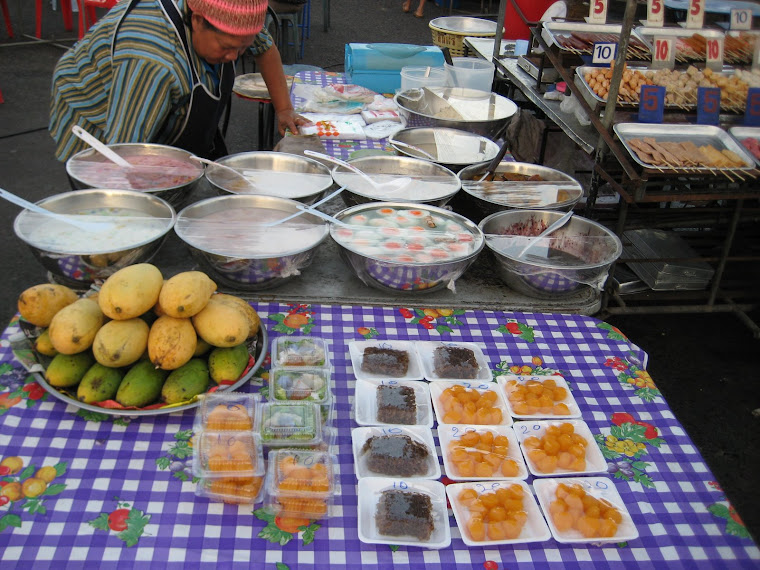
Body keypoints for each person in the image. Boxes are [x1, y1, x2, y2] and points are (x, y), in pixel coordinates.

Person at [50, 0, 309, 161]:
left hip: (148, 111)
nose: (233, 56)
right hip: (98, 123)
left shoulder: (229, 15)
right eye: (227, 47)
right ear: (197, 21)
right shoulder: (154, 61)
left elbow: (264, 48)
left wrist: (284, 109)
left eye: (242, 49)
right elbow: (122, 152)